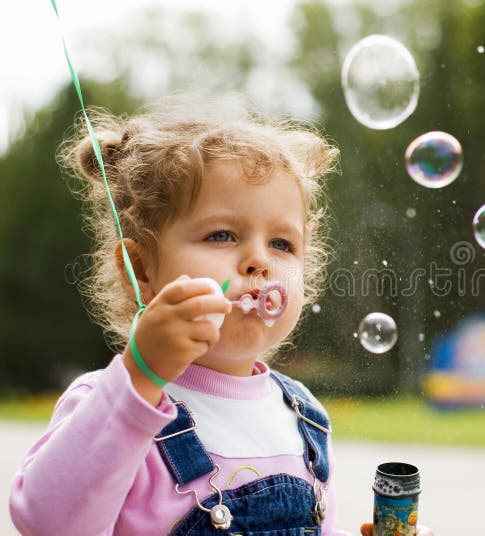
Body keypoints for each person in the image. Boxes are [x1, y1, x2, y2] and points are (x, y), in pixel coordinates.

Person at [8, 94, 433, 536]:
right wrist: (140, 374)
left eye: (282, 244)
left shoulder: (304, 414)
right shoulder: (112, 402)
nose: (259, 261)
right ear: (140, 270)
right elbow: (45, 521)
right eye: (223, 235)